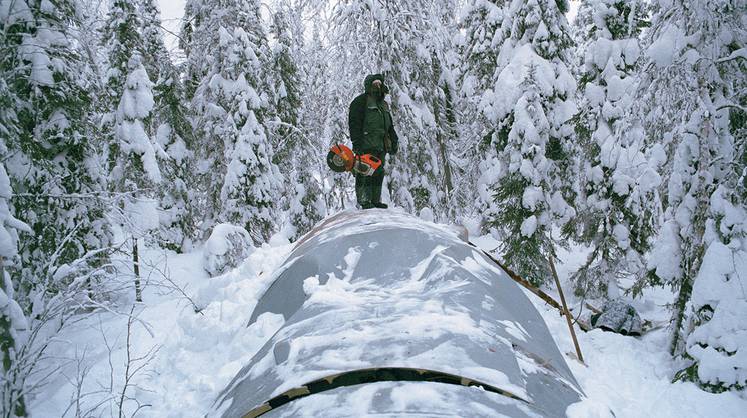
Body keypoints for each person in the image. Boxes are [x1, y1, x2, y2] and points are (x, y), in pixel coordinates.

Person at [348, 74, 399, 209]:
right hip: (365, 145)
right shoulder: (360, 101)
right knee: (364, 172)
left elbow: (389, 126)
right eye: (375, 83)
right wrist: (356, 143)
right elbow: (354, 124)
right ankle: (364, 201)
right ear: (368, 85)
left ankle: (375, 200)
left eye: (379, 83)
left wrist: (394, 140)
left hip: (381, 145)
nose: (378, 86)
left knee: (378, 172)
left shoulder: (384, 105)